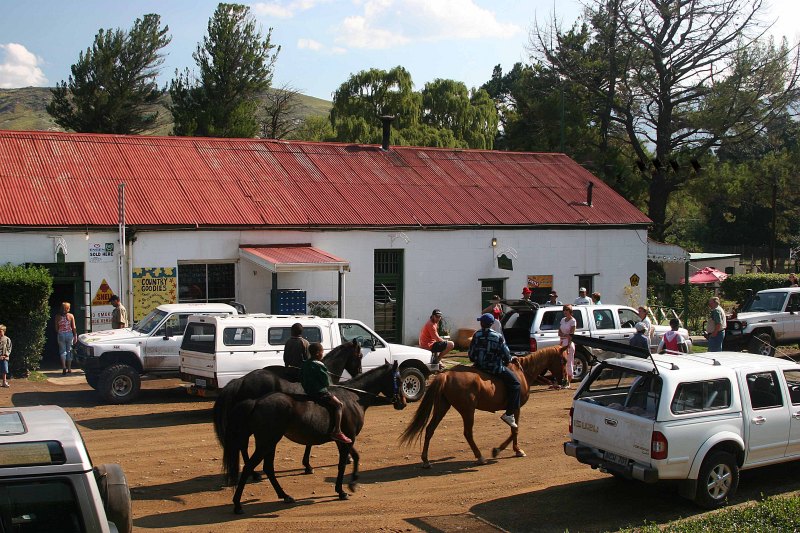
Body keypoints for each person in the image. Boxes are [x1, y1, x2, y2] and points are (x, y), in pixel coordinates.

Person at [469, 313, 520, 428]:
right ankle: (509, 414)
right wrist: (511, 359)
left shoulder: (476, 335)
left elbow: (471, 355)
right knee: (516, 384)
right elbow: (506, 356)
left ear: (482, 323)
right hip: (495, 368)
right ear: (492, 324)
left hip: (479, 367)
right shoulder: (497, 336)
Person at [300, 342, 352, 444]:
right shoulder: (319, 365)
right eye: (322, 352)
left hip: (308, 392)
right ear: (318, 353)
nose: (322, 354)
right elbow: (326, 383)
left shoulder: (305, 363)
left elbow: (301, 377)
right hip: (320, 393)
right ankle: (337, 431)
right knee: (339, 405)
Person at [54, 302, 77, 374]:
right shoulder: (71, 316)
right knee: (69, 351)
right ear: (67, 309)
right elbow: (73, 327)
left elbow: (56, 328)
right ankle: (69, 368)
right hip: (69, 334)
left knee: (62, 351)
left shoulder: (57, 316)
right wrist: (75, 335)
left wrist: (60, 331)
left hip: (61, 334)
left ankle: (64, 367)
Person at [558, 305, 577, 388]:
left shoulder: (573, 321)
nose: (565, 311)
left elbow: (571, 334)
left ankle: (568, 382)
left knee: (569, 362)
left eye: (567, 310)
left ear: (570, 311)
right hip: (561, 342)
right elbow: (559, 332)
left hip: (568, 343)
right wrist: (564, 335)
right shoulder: (562, 320)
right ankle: (563, 380)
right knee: (562, 363)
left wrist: (568, 344)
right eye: (564, 310)